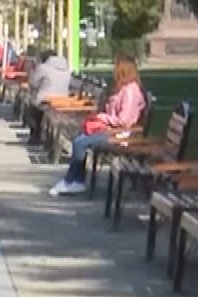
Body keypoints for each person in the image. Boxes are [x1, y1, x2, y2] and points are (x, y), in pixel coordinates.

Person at [50, 54, 143, 197]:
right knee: (80, 139)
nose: (114, 71)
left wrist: (102, 117)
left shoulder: (131, 91)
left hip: (120, 135)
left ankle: (74, 181)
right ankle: (73, 180)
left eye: (116, 67)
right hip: (110, 130)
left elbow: (125, 121)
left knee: (81, 142)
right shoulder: (121, 88)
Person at [23, 48, 70, 146]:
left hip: (45, 100)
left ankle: (35, 136)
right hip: (63, 100)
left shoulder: (43, 68)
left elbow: (33, 83)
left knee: (32, 107)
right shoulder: (66, 69)